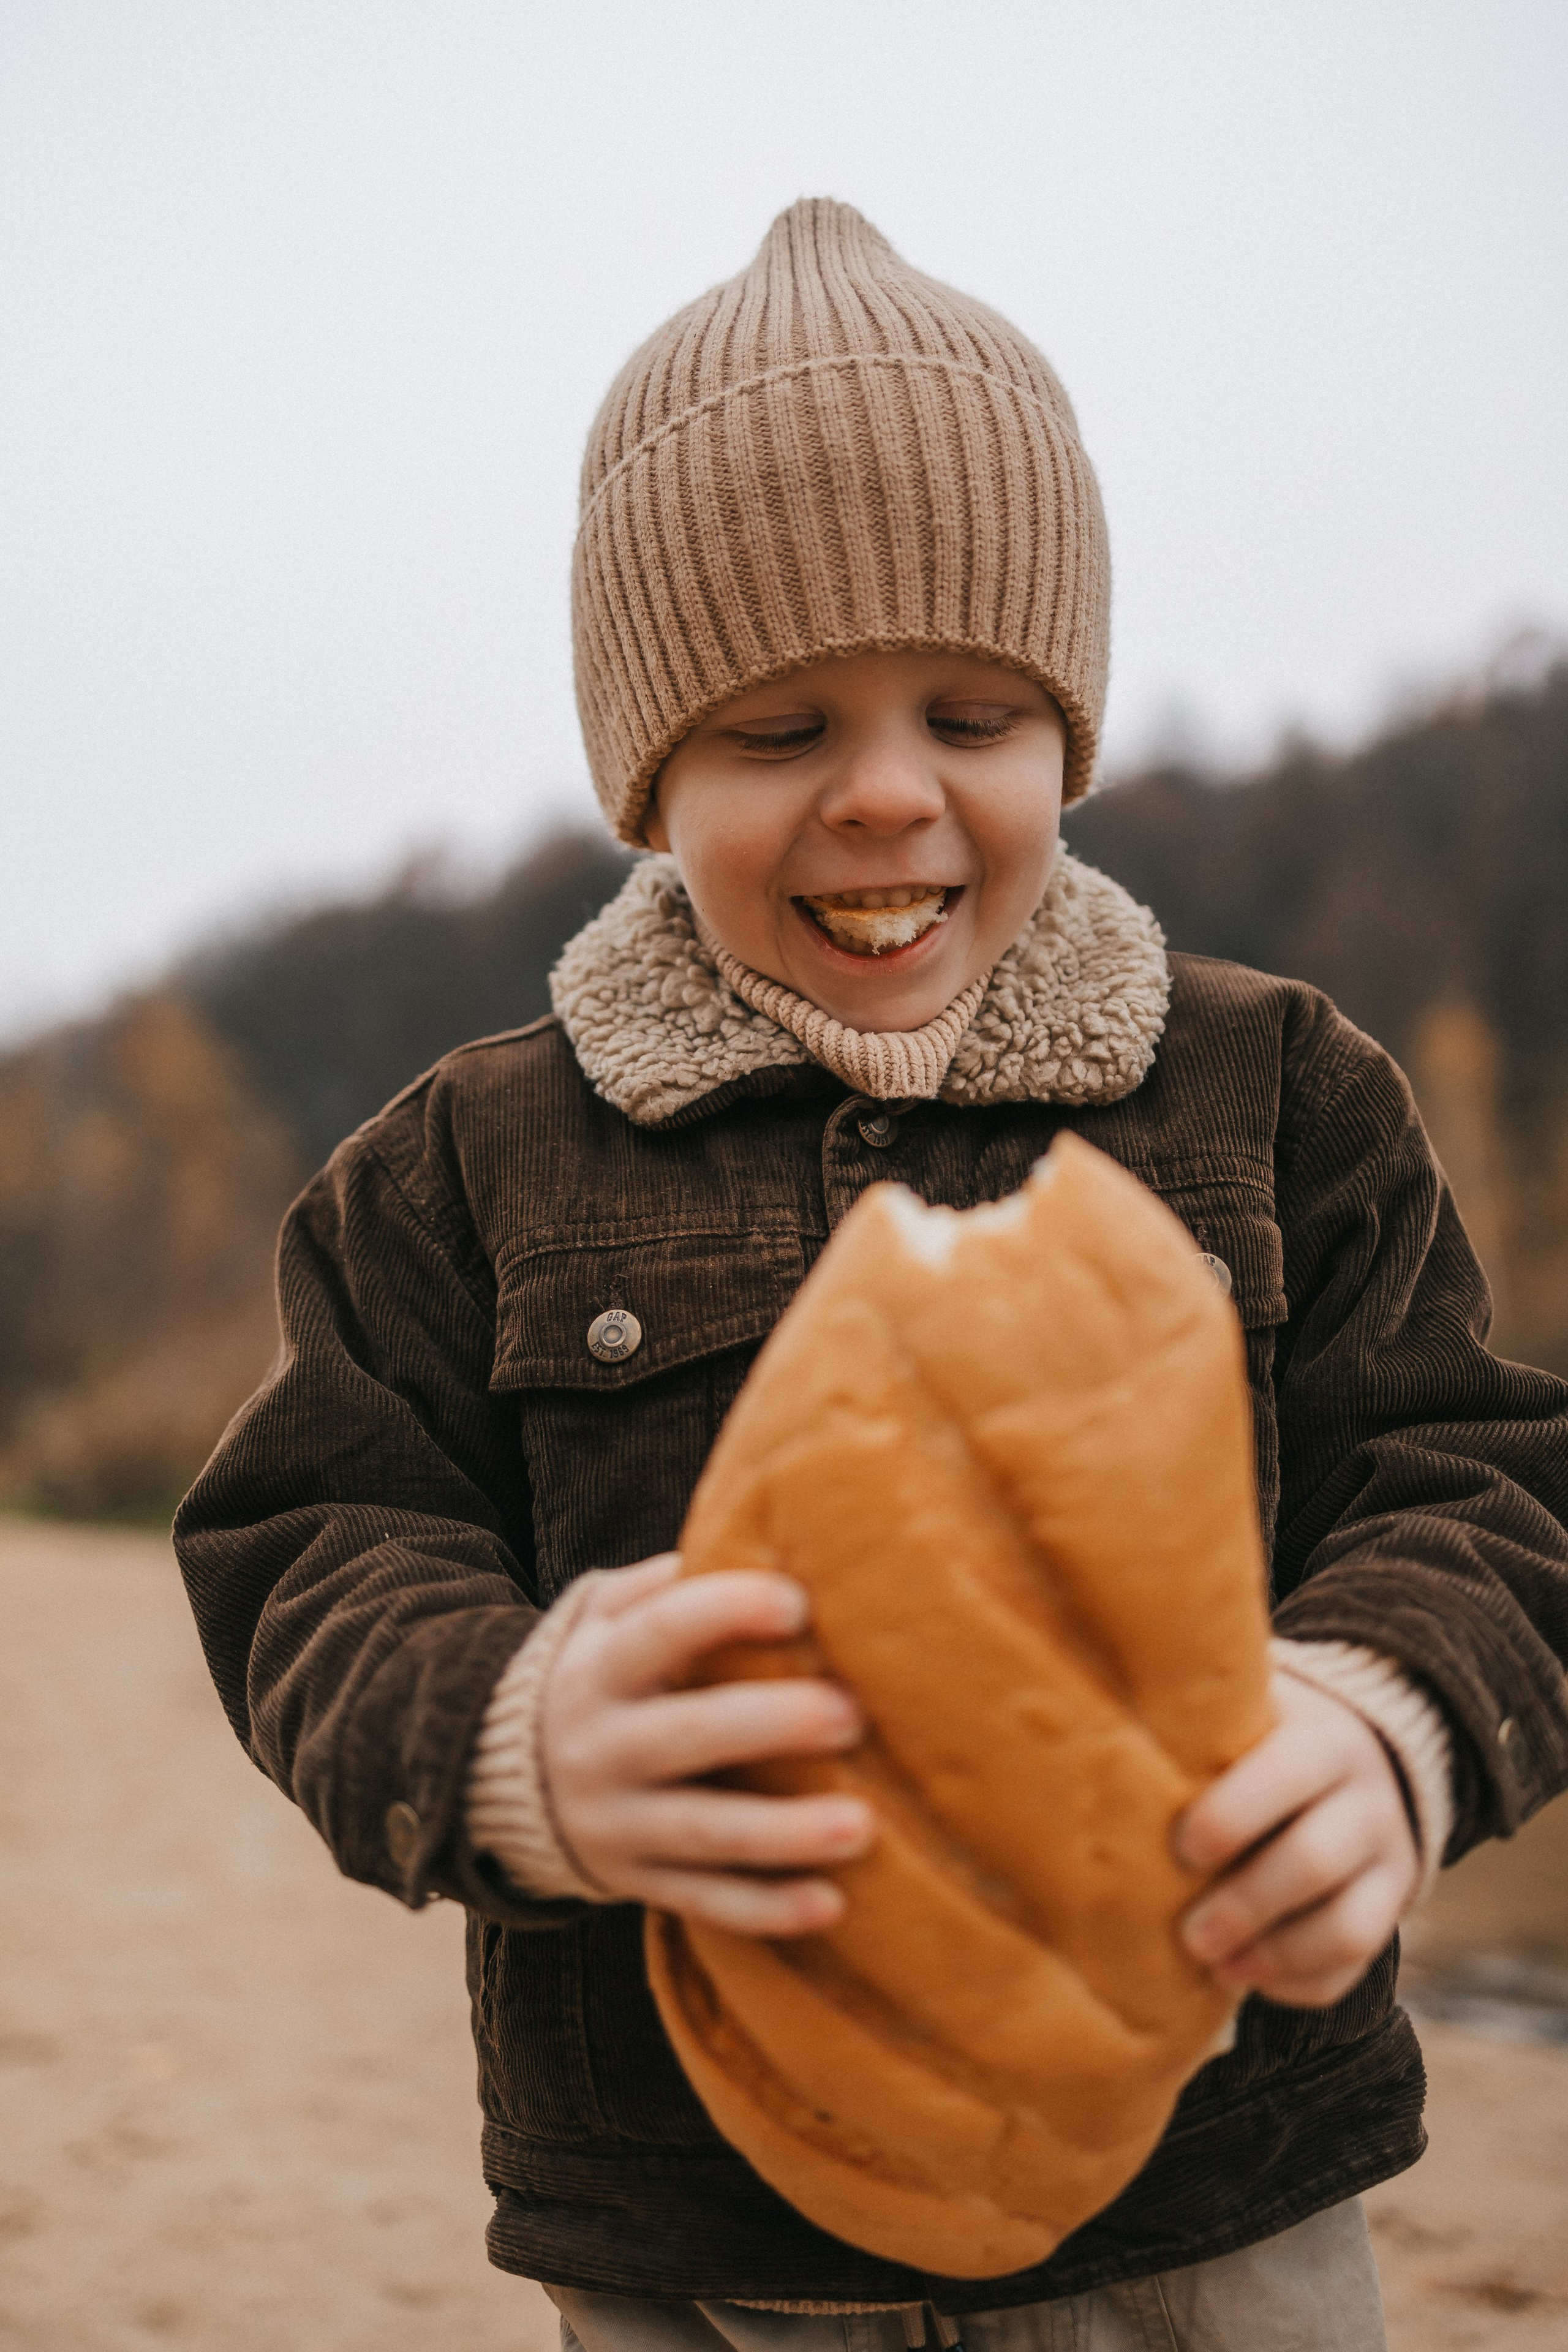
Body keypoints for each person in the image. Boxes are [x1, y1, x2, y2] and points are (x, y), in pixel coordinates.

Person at [175, 200, 1568, 2351]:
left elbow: (1485, 1488)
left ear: (1068, 740)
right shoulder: (461, 1164)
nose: (888, 793)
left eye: (972, 711)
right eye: (778, 730)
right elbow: (309, 1548)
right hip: (689, 2216)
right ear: (649, 779)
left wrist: (1389, 1720)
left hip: (1211, 2196)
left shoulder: (1276, 1093)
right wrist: (512, 1732)